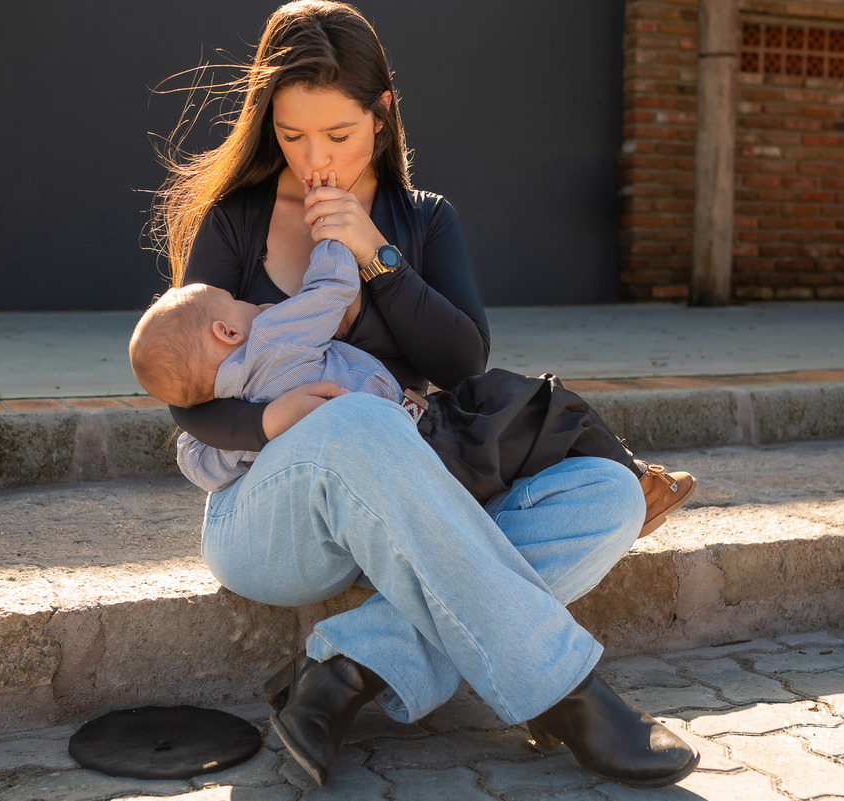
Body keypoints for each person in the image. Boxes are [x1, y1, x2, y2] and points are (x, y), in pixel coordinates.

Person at [148, 0, 699, 788]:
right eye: (291, 134)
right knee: (361, 422)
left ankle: (341, 674)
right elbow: (185, 394)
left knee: (608, 496)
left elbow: (463, 361)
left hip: (408, 499)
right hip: (269, 519)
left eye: (337, 134)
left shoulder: (424, 221)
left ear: (382, 115)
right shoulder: (236, 222)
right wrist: (274, 416)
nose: (314, 160)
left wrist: (376, 254)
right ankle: (567, 693)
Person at [129, 235, 696, 536]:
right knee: (535, 401)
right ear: (227, 330)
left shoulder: (213, 432)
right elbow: (329, 289)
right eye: (241, 302)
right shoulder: (273, 338)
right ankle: (633, 479)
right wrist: (333, 232)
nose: (255, 301)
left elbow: (197, 458)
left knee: (498, 428)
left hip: (379, 476)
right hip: (423, 446)